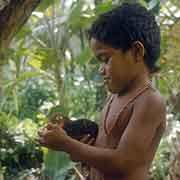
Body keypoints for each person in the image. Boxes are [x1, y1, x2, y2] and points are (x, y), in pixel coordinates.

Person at [37, 3, 166, 180]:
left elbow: (124, 162)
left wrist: (67, 144)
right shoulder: (114, 96)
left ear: (137, 52)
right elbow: (107, 149)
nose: (101, 69)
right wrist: (80, 144)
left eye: (105, 59)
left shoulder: (149, 101)